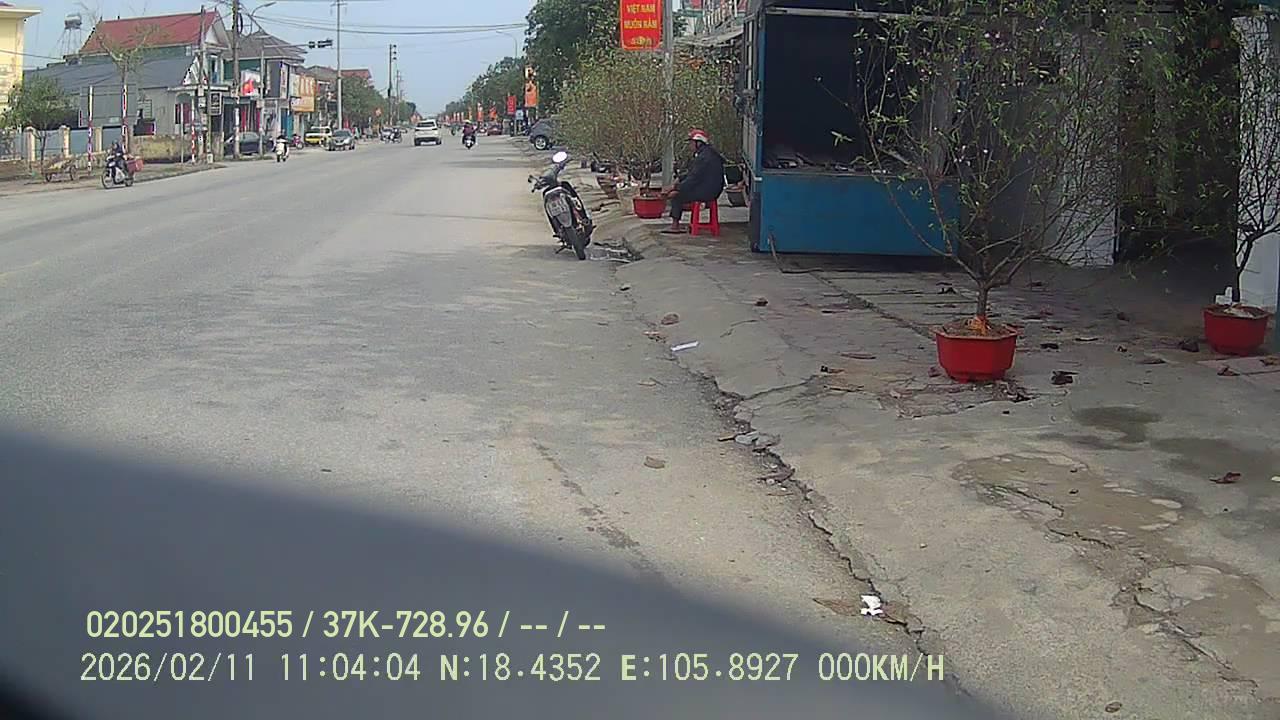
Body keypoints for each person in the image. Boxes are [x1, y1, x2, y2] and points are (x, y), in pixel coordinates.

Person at [663, 129, 726, 234]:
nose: (690, 146)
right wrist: (679, 180)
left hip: (708, 190)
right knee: (680, 190)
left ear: (698, 143)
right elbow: (692, 173)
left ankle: (675, 225)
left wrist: (676, 188)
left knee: (677, 196)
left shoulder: (704, 157)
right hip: (711, 188)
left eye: (691, 143)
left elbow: (693, 178)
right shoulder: (707, 154)